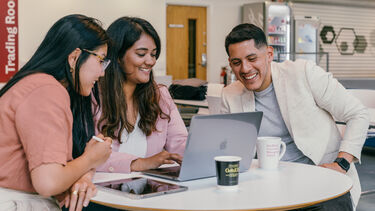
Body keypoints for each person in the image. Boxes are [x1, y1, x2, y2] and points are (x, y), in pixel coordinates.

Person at [221, 23, 369, 210]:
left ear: (269, 54)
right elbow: (227, 149)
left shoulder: (303, 73)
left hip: (322, 183)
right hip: (266, 188)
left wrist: (342, 163)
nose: (245, 68)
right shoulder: (229, 95)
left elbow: (357, 114)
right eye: (236, 62)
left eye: (252, 58)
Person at [0, 14, 113, 211]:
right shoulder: (46, 90)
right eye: (100, 60)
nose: (102, 73)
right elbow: (48, 182)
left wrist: (86, 171)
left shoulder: (33, 84)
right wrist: (90, 159)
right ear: (74, 57)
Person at [96, 17, 187, 173]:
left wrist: (199, 154)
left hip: (149, 190)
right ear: (118, 56)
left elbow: (179, 142)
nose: (150, 61)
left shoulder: (160, 96)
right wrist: (138, 163)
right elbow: (85, 155)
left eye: (153, 54)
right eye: (141, 54)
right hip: (105, 191)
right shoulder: (93, 96)